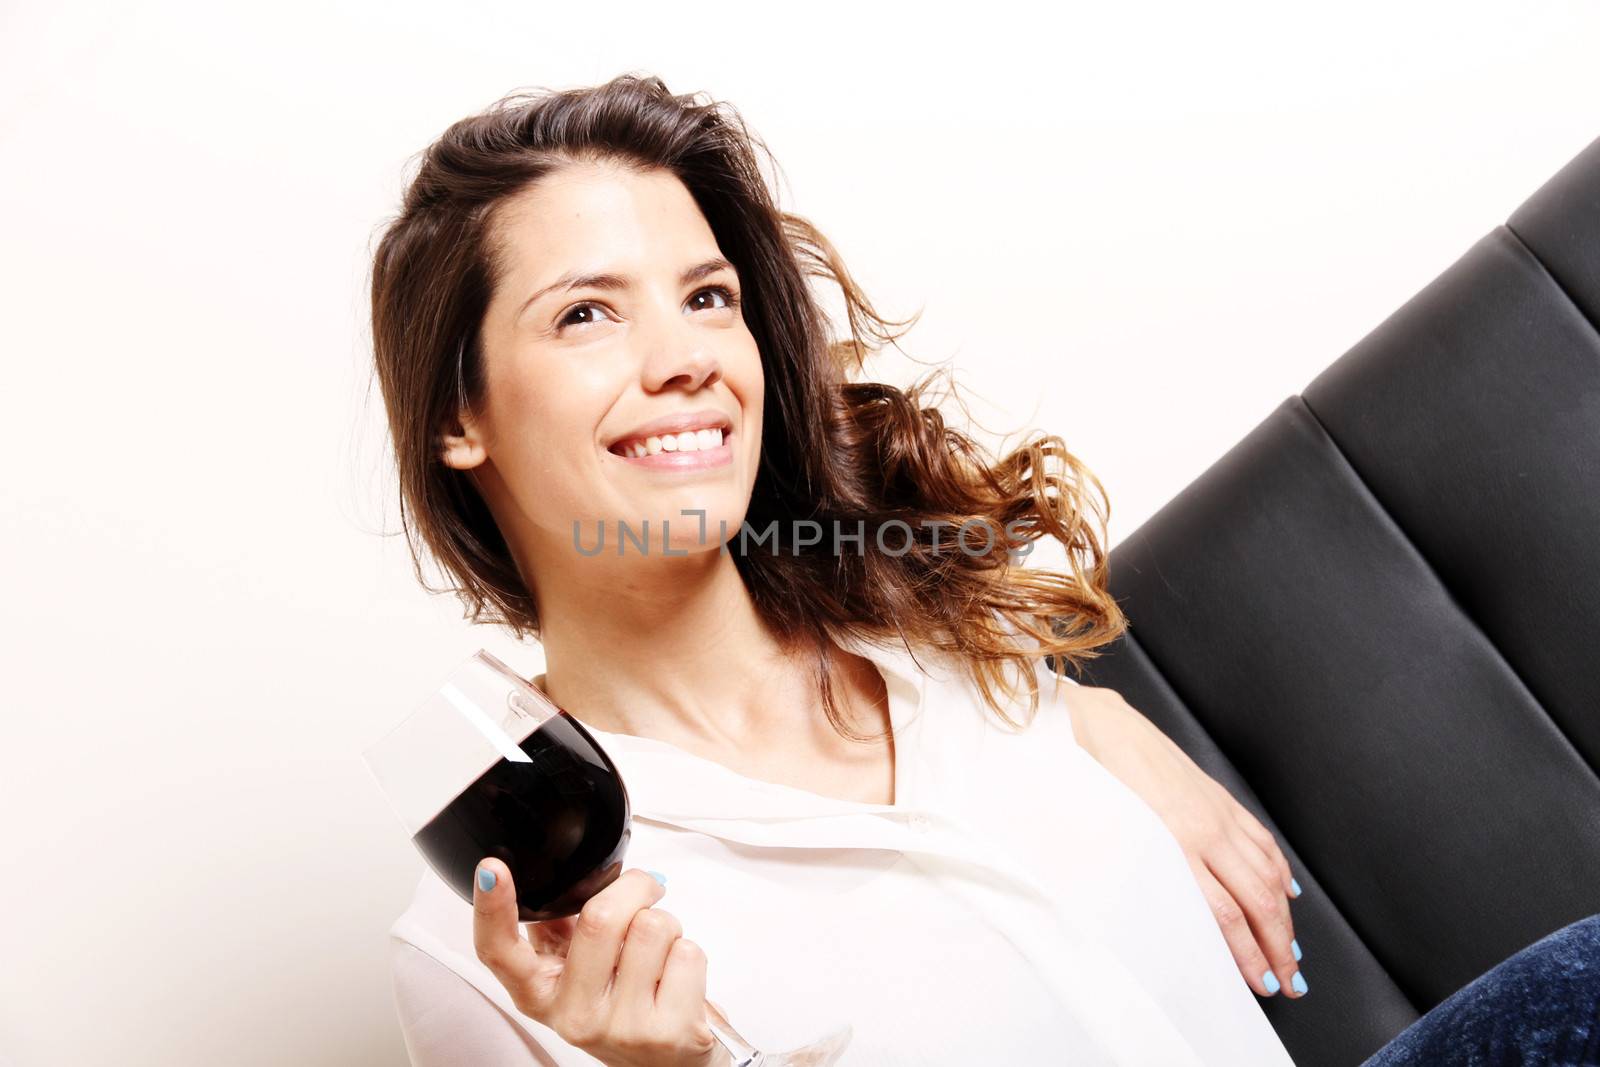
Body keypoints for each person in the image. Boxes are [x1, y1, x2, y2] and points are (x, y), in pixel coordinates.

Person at [367, 74, 1600, 1066]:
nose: (686, 355)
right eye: (586, 313)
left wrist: (1081, 708)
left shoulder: (950, 647)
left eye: (707, 296)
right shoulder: (488, 946)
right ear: (456, 414)